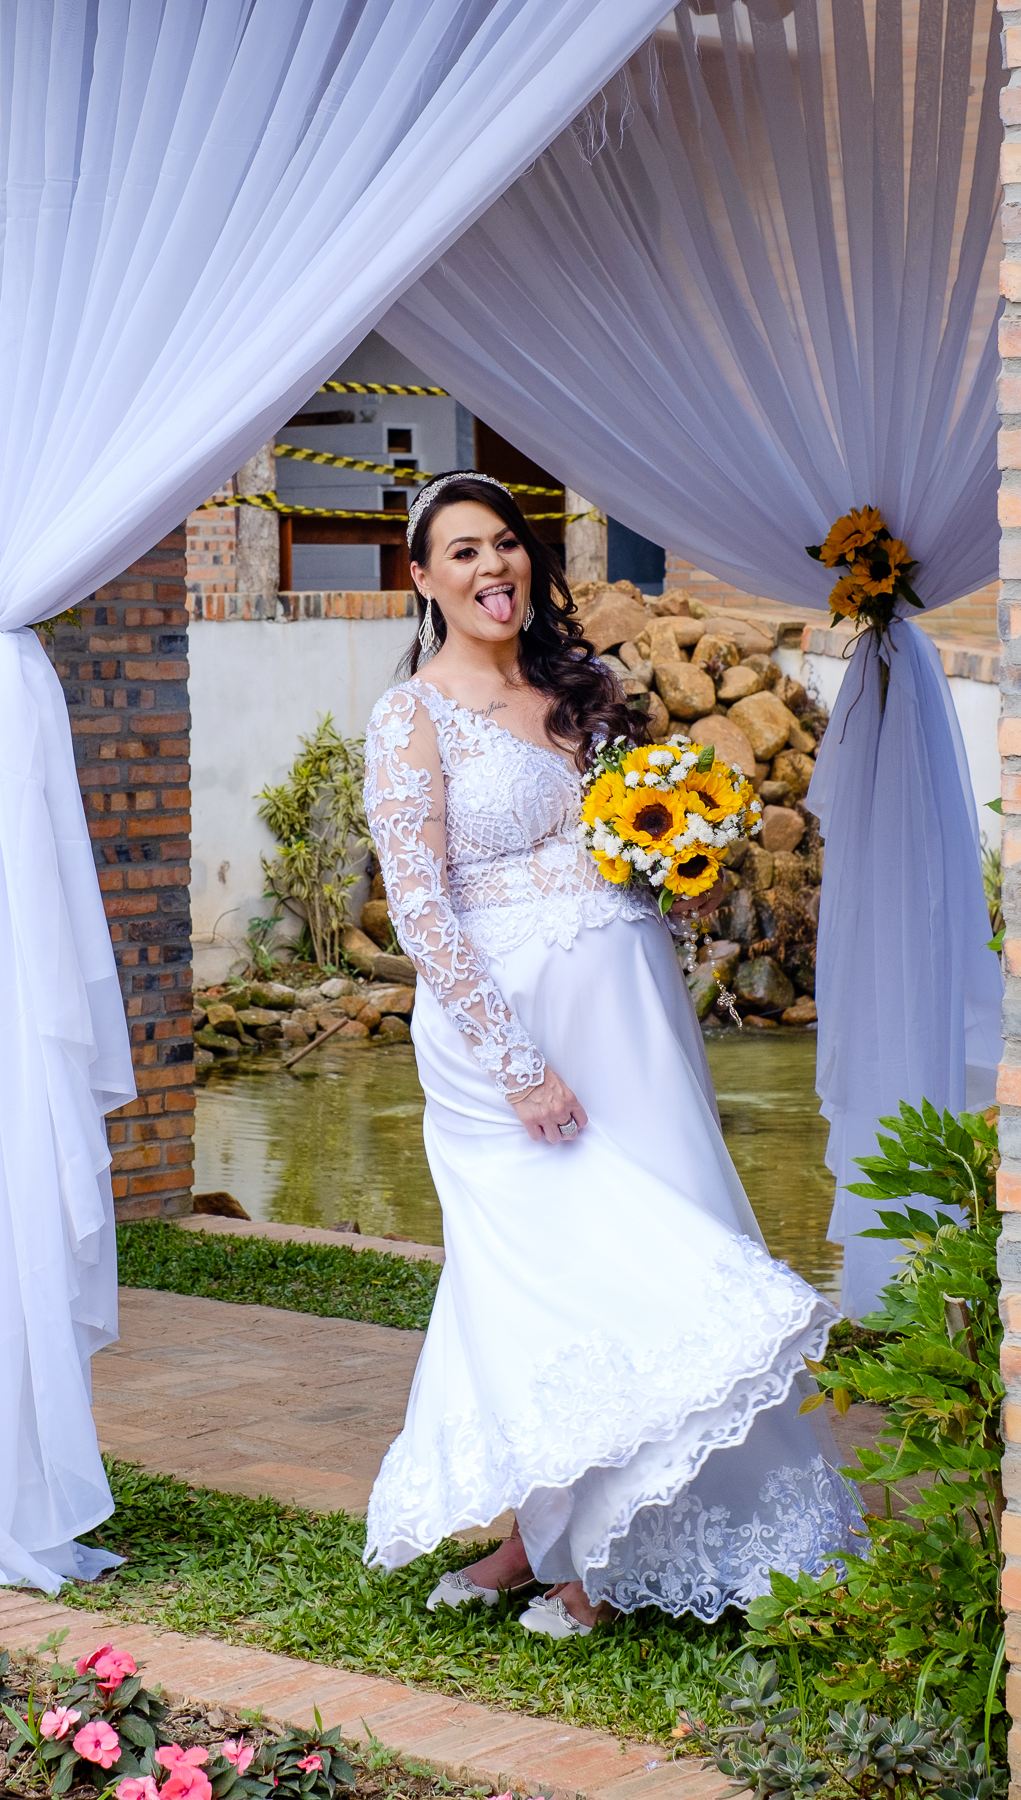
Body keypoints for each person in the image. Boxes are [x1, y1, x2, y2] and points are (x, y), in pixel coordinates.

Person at [361, 471, 861, 1638]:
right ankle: (547, 1535)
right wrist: (516, 1063)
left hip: (626, 1002)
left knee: (659, 1226)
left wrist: (675, 862)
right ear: (422, 577)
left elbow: (620, 842)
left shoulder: (578, 686)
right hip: (509, 1033)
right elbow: (423, 909)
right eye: (466, 552)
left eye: (509, 546)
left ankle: (597, 1548)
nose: (495, 569)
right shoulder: (413, 716)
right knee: (543, 1273)